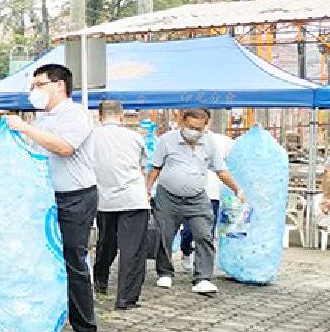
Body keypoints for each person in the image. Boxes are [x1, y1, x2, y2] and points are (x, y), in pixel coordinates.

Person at [3, 63, 100, 332]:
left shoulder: (76, 115)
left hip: (76, 197)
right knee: (44, 261)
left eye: (39, 84)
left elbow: (64, 148)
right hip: (45, 197)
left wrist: (24, 127)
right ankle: (44, 318)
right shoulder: (42, 119)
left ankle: (86, 331)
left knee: (73, 259)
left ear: (59, 85)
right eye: (32, 86)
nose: (34, 91)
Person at [146, 108, 245, 295]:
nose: (194, 131)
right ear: (182, 122)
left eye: (198, 128)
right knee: (164, 236)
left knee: (204, 234)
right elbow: (155, 168)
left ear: (205, 126)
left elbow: (221, 170)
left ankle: (203, 278)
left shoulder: (210, 143)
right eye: (190, 126)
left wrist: (237, 189)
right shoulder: (167, 140)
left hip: (197, 197)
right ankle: (165, 272)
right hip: (168, 196)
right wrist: (147, 191)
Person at [90, 100, 150, 310]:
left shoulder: (90, 137)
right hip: (133, 199)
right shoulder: (135, 137)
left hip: (104, 199)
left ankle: (100, 281)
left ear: (100, 116)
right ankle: (126, 298)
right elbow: (142, 168)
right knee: (132, 250)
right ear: (122, 116)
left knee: (106, 244)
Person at [178, 127, 233, 272]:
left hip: (213, 193)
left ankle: (202, 265)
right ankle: (186, 251)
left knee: (207, 232)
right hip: (190, 192)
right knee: (189, 230)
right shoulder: (185, 140)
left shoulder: (222, 141)